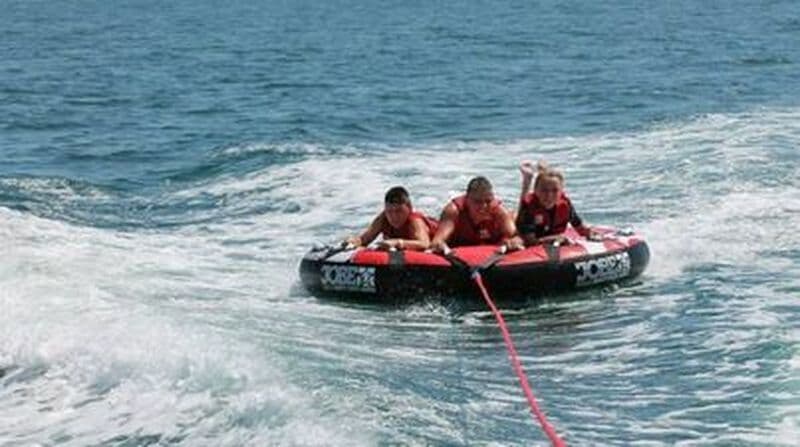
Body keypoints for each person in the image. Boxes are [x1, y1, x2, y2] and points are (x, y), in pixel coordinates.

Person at [510, 160, 600, 247]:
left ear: (561, 192)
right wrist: (554, 238)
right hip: (522, 230)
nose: (549, 196)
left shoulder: (565, 205)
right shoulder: (529, 207)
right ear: (536, 191)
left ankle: (537, 174)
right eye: (544, 190)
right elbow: (530, 241)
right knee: (515, 228)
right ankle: (527, 180)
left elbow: (579, 227)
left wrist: (589, 233)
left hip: (548, 232)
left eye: (555, 190)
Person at [429, 176, 518, 253]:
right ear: (467, 199)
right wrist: (439, 245)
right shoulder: (454, 211)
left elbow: (515, 237)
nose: (484, 206)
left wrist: (513, 242)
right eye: (478, 202)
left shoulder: (499, 212)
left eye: (488, 201)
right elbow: (437, 241)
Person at [345, 186, 436, 251]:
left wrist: (397, 242)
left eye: (399, 211)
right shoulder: (383, 218)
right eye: (389, 211)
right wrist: (353, 242)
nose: (394, 216)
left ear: (409, 208)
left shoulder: (415, 221)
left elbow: (425, 244)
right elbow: (364, 239)